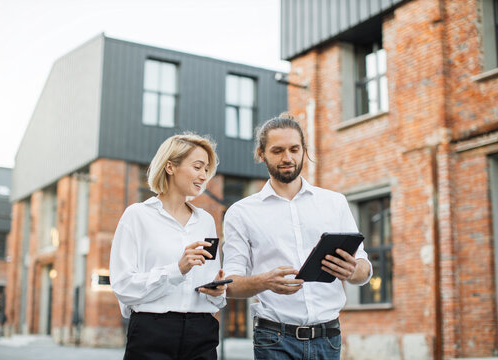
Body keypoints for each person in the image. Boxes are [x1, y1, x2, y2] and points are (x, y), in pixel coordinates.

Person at [223, 113, 372, 360]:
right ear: (261, 154)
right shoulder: (241, 213)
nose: (287, 158)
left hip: (329, 338)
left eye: (294, 149)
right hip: (274, 340)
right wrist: (265, 282)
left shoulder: (334, 203)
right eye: (277, 150)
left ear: (304, 150)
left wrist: (353, 269)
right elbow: (229, 285)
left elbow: (364, 272)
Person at [110, 133, 227, 360]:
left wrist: (217, 291)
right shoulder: (137, 216)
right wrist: (178, 269)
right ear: (171, 167)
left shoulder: (206, 221)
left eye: (206, 170)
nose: (204, 176)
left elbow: (213, 292)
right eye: (197, 167)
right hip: (152, 333)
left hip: (202, 332)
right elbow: (123, 286)